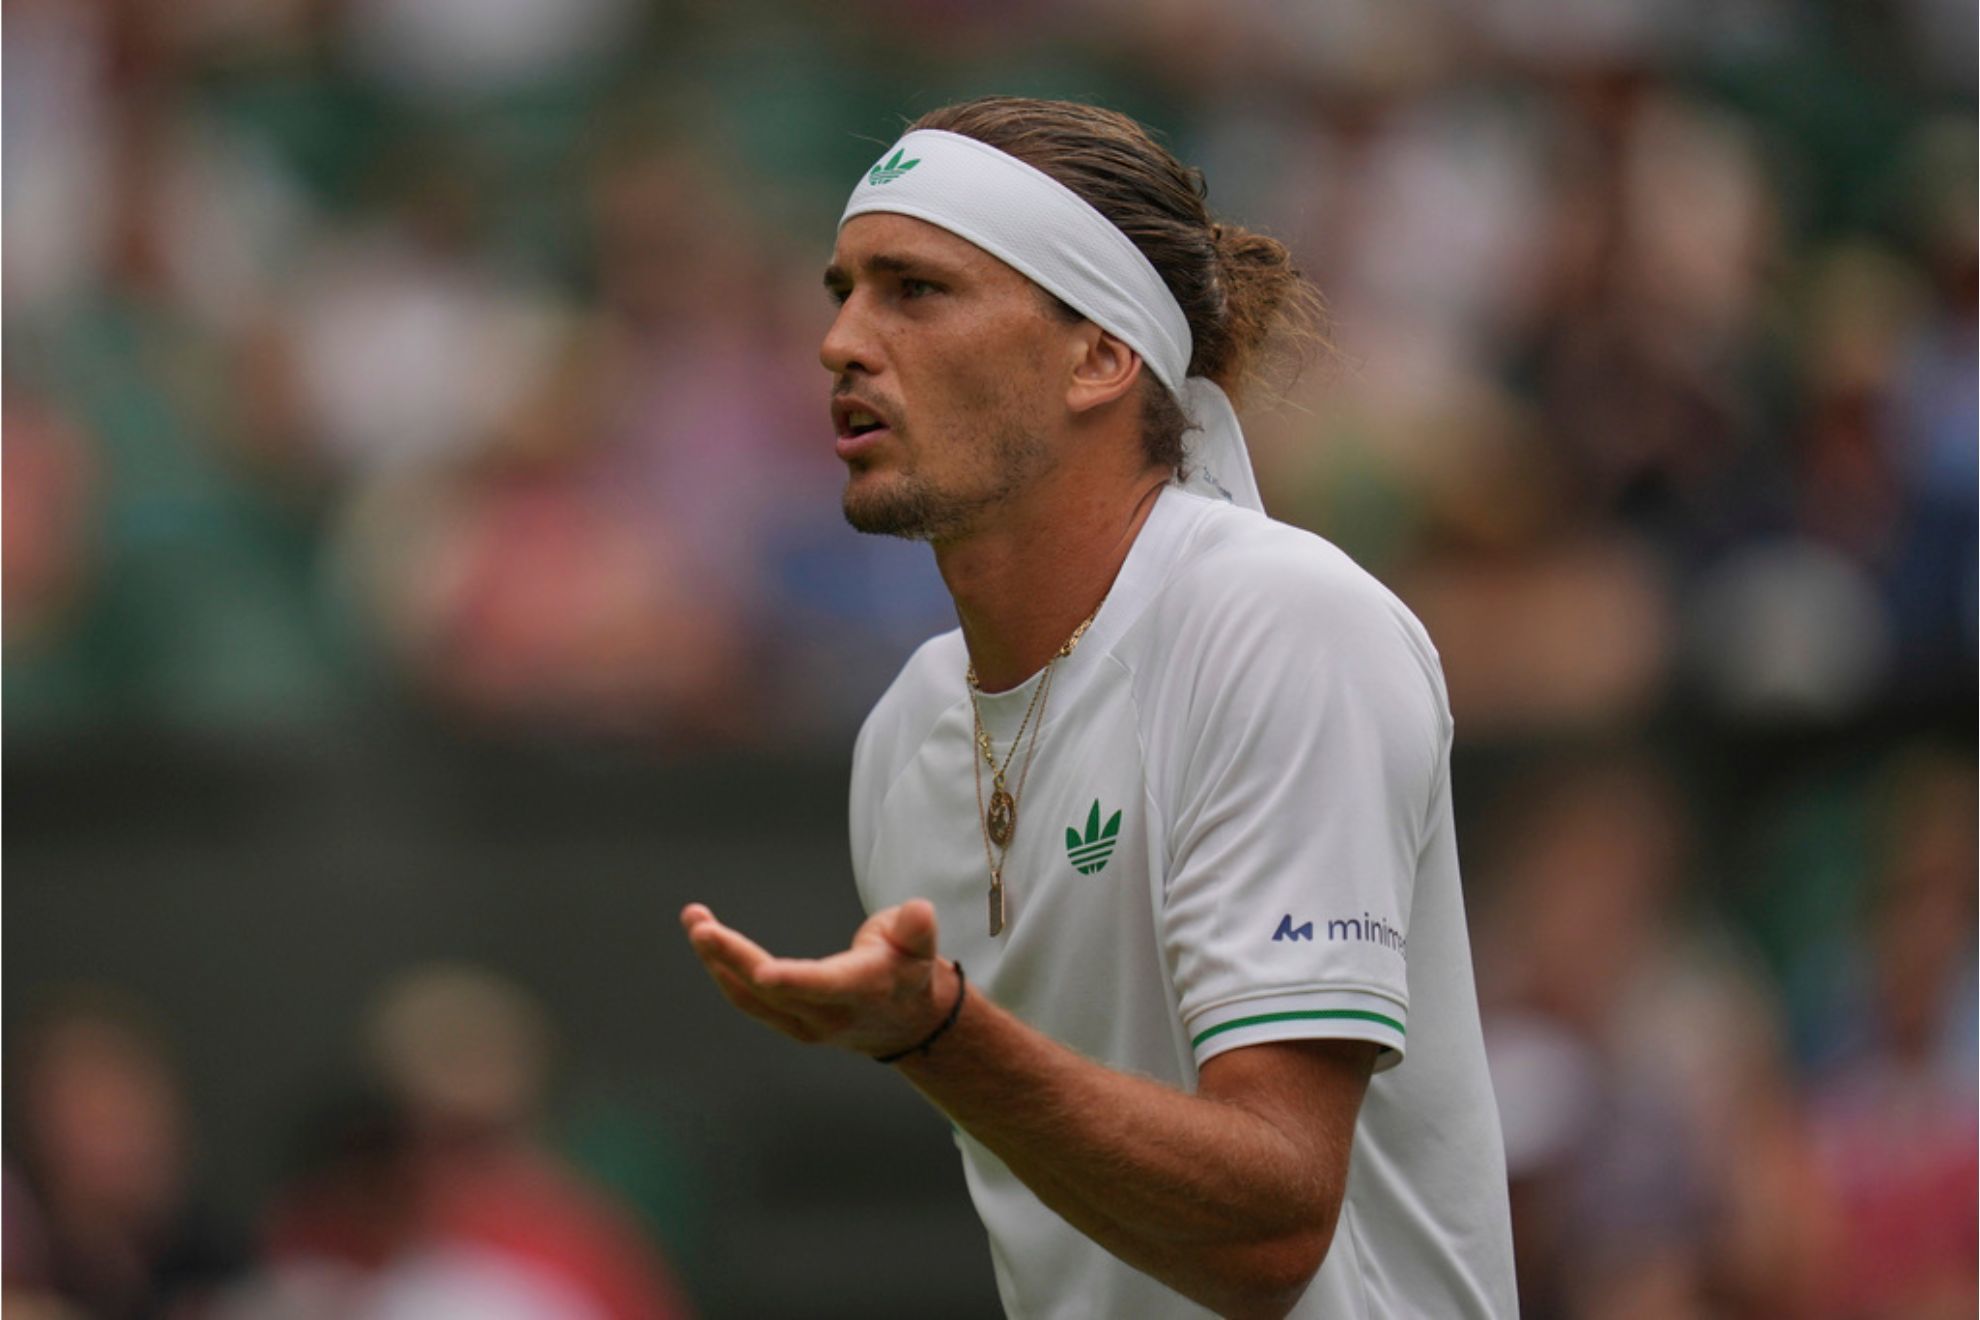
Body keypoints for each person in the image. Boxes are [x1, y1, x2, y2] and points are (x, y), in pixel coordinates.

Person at [681, 96, 1517, 1319]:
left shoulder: (1280, 624)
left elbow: (1272, 1227)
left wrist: (940, 1036)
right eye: (842, 289)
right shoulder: (903, 739)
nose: (841, 341)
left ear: (1099, 356)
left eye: (914, 290)